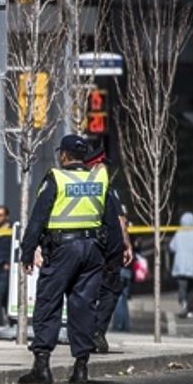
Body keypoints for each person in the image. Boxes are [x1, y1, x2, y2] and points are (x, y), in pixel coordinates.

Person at [17, 134, 121, 384]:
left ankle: (42, 366)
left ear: (63, 155)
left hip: (62, 249)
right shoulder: (99, 181)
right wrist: (113, 259)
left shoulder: (57, 178)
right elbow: (113, 223)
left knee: (48, 302)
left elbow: (38, 218)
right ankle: (81, 367)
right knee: (84, 306)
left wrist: (28, 251)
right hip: (93, 249)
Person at [83, 144, 131, 354]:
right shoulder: (108, 189)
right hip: (108, 248)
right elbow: (120, 220)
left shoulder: (77, 187)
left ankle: (84, 333)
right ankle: (96, 332)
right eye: (103, 165)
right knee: (110, 289)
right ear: (98, 165)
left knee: (84, 290)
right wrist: (126, 245)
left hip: (82, 246)